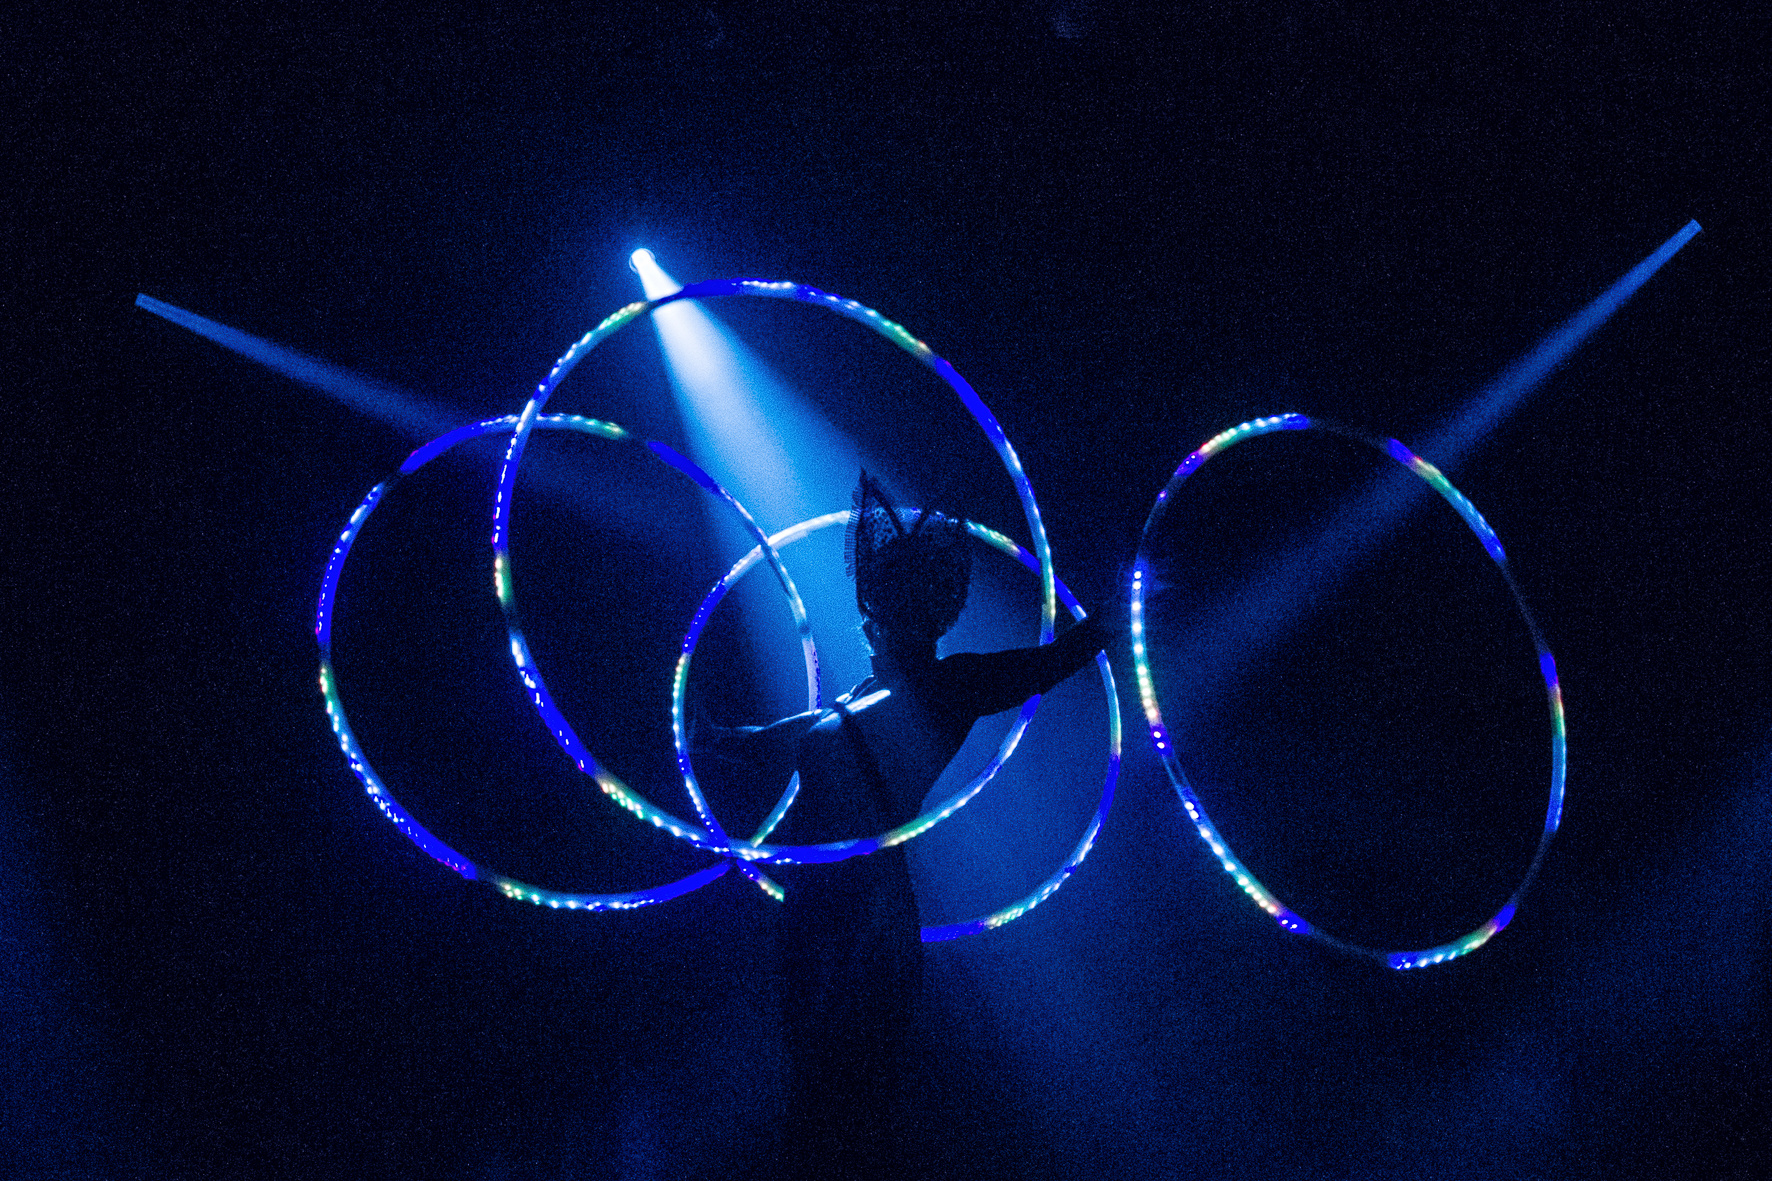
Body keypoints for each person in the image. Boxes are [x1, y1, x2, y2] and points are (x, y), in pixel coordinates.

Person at [718, 472, 1112, 1176]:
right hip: (818, 905)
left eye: (898, 606)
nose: (881, 618)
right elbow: (792, 730)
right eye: (887, 604)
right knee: (811, 1096)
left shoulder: (950, 685)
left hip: (864, 912)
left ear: (911, 616)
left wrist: (1118, 615)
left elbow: (1051, 662)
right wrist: (720, 735)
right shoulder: (862, 695)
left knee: (847, 1101)